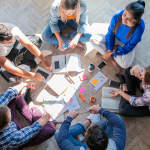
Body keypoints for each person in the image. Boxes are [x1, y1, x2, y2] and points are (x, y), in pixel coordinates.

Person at [90, 0, 145, 73]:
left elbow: (128, 47)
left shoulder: (139, 28)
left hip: (126, 44)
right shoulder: (118, 15)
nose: (124, 19)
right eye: (125, 14)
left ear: (136, 20)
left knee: (126, 65)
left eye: (129, 18)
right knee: (92, 40)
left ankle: (108, 54)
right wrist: (110, 51)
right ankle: (112, 59)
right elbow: (110, 33)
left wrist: (111, 54)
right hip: (115, 37)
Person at [0, 81, 56, 149]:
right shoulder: (11, 139)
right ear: (6, 125)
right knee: (50, 130)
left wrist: (25, 84)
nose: (9, 110)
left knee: (14, 95)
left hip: (12, 132)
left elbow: (9, 94)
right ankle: (32, 107)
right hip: (15, 141)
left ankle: (31, 108)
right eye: (9, 113)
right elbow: (34, 129)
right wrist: (48, 115)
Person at [55, 105, 126, 150]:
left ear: (87, 146)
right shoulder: (117, 144)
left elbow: (61, 139)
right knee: (116, 118)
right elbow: (118, 122)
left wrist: (68, 118)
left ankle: (89, 122)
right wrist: (99, 110)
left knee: (58, 133)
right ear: (106, 139)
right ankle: (89, 123)